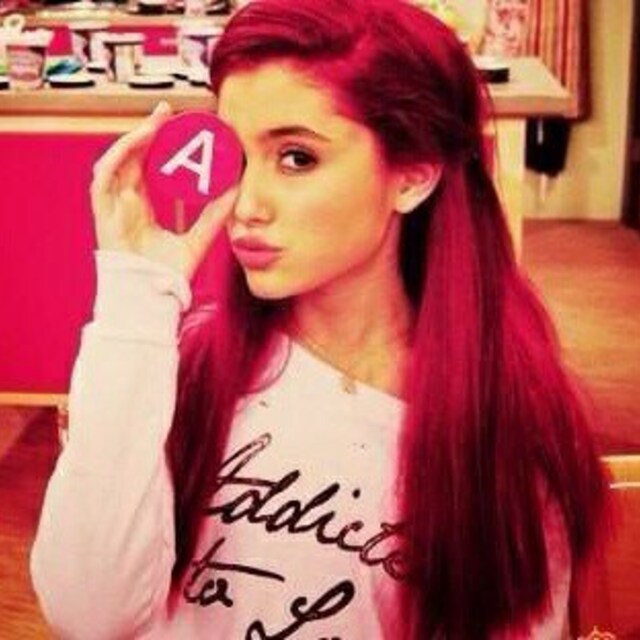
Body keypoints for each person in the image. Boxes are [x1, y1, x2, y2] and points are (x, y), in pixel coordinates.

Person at [31, 0, 609, 638]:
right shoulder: (180, 361)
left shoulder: (499, 418)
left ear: (413, 175)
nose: (245, 206)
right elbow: (88, 615)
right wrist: (137, 294)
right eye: (239, 158)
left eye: (297, 158)